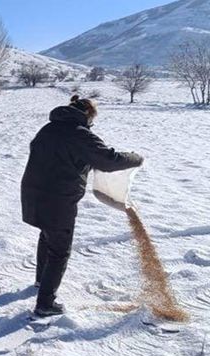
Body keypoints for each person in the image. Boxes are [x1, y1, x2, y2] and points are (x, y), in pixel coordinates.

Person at [21, 95, 144, 317]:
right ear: (87, 115)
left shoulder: (48, 129)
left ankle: (42, 280)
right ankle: (45, 304)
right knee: (59, 251)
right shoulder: (78, 134)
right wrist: (136, 158)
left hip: (33, 195)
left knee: (47, 235)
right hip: (57, 199)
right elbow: (108, 159)